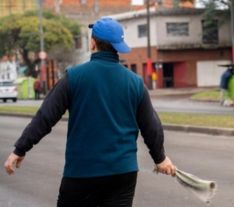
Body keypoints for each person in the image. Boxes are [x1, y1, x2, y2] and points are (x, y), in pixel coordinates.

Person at [4, 17, 176, 207]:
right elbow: (151, 126)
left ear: (93, 43)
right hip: (122, 174)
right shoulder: (135, 83)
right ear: (119, 45)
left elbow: (45, 118)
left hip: (82, 173)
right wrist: (160, 158)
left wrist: (20, 149)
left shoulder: (73, 78)